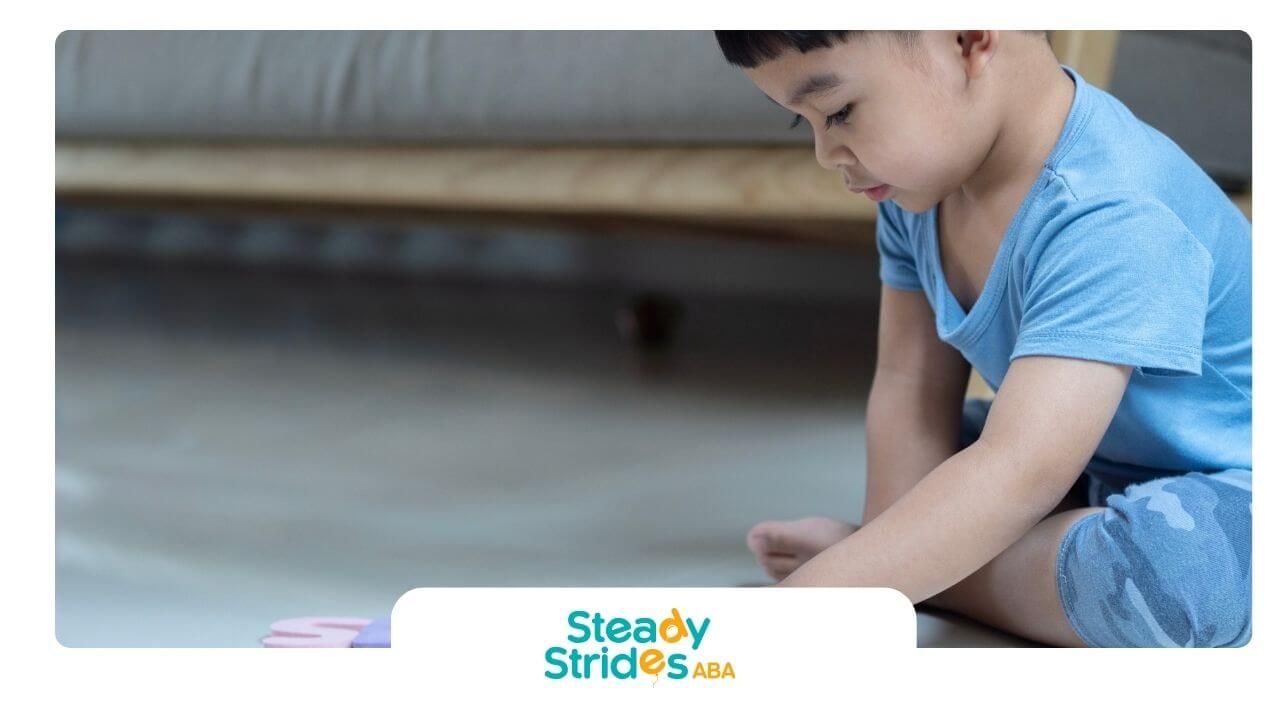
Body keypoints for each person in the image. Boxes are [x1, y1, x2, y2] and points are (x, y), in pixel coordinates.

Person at [713, 30, 1251, 647]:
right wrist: (882, 557)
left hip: (1236, 481)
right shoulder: (915, 198)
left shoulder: (1113, 208)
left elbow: (1021, 468)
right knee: (963, 447)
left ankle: (931, 570)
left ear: (969, 38)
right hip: (1090, 458)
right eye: (800, 123)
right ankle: (923, 561)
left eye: (838, 113)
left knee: (1183, 579)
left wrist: (815, 602)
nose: (825, 152)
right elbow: (909, 386)